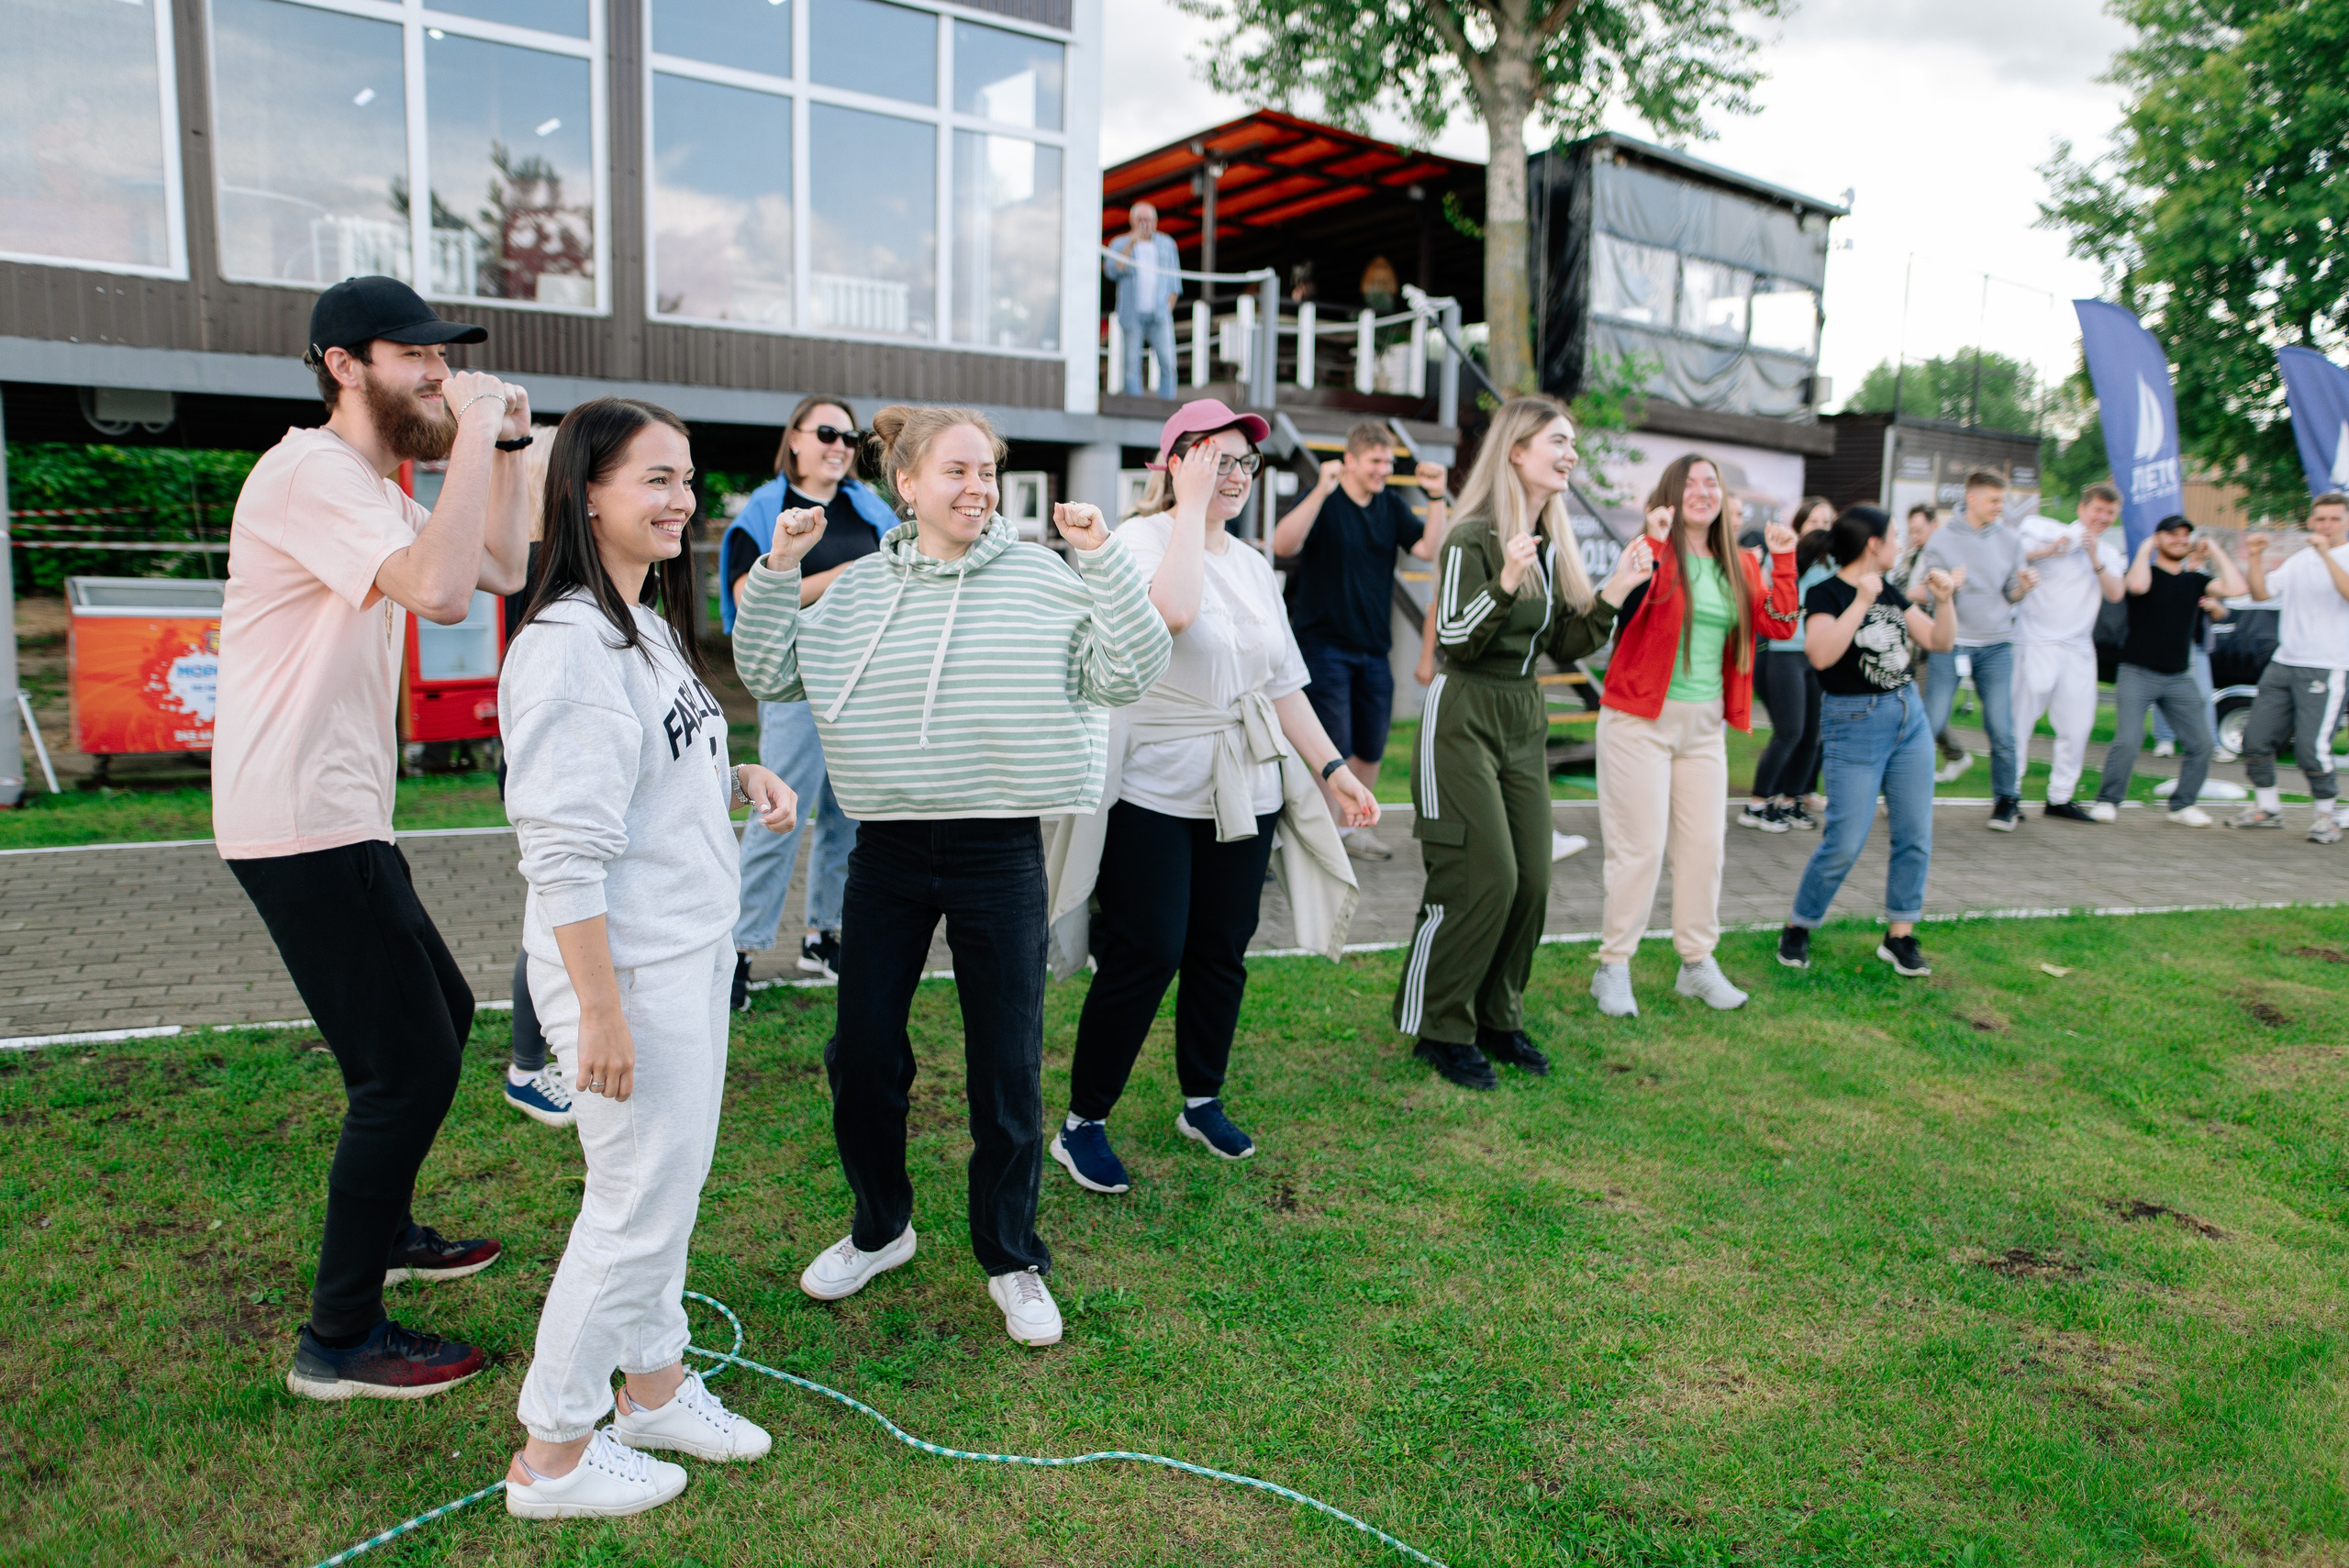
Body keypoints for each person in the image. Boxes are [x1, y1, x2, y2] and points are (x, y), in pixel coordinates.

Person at [732, 405, 1172, 1349]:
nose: (977, 487)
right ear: (908, 482)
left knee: (1005, 1063)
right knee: (859, 1057)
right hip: (885, 847)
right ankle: (881, 1225)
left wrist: (1103, 562)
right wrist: (779, 565)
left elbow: (1130, 669)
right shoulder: (852, 590)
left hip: (997, 846)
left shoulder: (1043, 578)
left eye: (989, 470)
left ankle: (1011, 1253)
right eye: (957, 470)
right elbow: (768, 672)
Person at [212, 275, 529, 1400]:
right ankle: (338, 1337)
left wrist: (514, 446)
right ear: (346, 364)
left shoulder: (374, 486)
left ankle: (387, 1226)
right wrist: (478, 433)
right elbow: (444, 592)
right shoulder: (309, 473)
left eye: (448, 362)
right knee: (409, 1067)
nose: (440, 376)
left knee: (434, 1018)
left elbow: (496, 565)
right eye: (420, 360)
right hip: (297, 817)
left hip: (337, 811)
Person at [499, 399, 797, 1519]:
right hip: (627, 979)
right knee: (628, 1206)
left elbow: (658, 753)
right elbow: (563, 855)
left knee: (663, 1198)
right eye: (654, 480)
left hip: (684, 958)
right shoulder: (571, 645)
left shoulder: (642, 620)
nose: (680, 501)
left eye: (685, 480)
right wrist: (599, 1011)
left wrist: (741, 777)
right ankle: (554, 1452)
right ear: (585, 492)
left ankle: (654, 1389)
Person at [1045, 400, 1377, 1188]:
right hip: (1154, 789)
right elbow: (1171, 612)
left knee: (1221, 950)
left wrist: (1334, 771)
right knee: (1146, 951)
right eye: (1215, 460)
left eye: (1243, 464)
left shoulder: (1255, 563)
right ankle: (1082, 1120)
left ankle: (1201, 1098)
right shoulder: (1137, 541)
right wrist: (1186, 508)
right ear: (1175, 462)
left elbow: (1285, 684)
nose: (1234, 477)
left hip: (1246, 787)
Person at [1396, 397, 1651, 1086]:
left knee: (1532, 879)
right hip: (1463, 715)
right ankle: (1440, 1026)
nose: (1570, 454)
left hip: (1521, 715)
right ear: (1516, 451)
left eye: (1572, 443)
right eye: (1558, 442)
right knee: (1482, 876)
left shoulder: (1548, 541)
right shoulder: (1472, 537)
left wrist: (1616, 589)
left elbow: (1562, 643)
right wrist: (1506, 579)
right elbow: (1454, 637)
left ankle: (1497, 1015)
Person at [1590, 454, 1800, 1018]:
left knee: (1705, 849)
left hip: (1704, 728)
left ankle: (1697, 964)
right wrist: (1655, 546)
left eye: (1712, 482)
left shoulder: (1742, 564)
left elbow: (1780, 624)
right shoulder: (1648, 550)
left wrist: (1784, 560)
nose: (1702, 491)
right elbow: (1627, 611)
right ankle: (1613, 967)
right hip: (1638, 722)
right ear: (1670, 493)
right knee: (1639, 851)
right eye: (1690, 482)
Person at [718, 396, 898, 1006]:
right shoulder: (768, 509)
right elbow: (749, 596)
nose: (840, 444)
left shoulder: (868, 508)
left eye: (849, 435)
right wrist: (844, 573)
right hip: (797, 684)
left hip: (863, 680)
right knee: (777, 813)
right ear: (793, 438)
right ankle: (737, 952)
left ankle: (825, 935)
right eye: (826, 432)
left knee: (849, 816)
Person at [1775, 506, 1962, 976]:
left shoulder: (1892, 591)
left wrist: (1946, 601)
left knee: (1914, 834)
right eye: (1894, 536)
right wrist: (1860, 602)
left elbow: (1939, 642)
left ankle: (1900, 936)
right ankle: (1799, 925)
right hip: (1855, 722)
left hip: (1908, 717)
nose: (1899, 544)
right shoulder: (1826, 592)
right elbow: (1820, 655)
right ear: (1873, 544)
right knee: (1844, 839)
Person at [1275, 420, 1447, 861]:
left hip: (1373, 648)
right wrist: (1318, 490)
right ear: (1350, 461)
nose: (1383, 470)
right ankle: (1322, 836)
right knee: (1335, 746)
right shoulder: (1325, 501)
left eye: (1388, 462)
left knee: (1370, 745)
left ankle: (1352, 830)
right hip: (1322, 644)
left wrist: (1436, 497)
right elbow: (1283, 544)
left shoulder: (1390, 506)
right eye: (1375, 461)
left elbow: (1429, 549)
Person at [495, 422, 576, 1128]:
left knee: (556, 909)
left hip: (546, 756)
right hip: (543, 762)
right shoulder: (533, 558)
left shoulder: (540, 553)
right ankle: (527, 1065)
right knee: (551, 911)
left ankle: (535, 1058)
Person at [2093, 515, 2245, 826]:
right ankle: (2108, 800)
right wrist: (2145, 547)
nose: (2180, 540)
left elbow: (2237, 588)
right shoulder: (2144, 572)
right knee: (2128, 740)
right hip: (2137, 672)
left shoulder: (2195, 581)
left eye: (2185, 536)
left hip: (2178, 677)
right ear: (2159, 539)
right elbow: (2136, 586)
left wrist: (2215, 550)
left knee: (2201, 744)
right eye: (2172, 534)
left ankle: (2182, 806)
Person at [1916, 470, 2041, 829]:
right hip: (1951, 644)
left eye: (2002, 501)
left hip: (1996, 645)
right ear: (1971, 499)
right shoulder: (1941, 541)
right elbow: (1929, 593)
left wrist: (2024, 588)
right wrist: (1948, 586)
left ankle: (2006, 800)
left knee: (2001, 727)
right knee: (1932, 722)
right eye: (1994, 500)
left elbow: (2009, 593)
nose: (2000, 507)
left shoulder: (2011, 541)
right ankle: (1906, 795)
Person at [2234, 493, 2349, 840]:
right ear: (2311, 521)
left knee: (2311, 749)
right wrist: (2255, 558)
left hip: (2326, 666)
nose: (2326, 525)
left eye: (2334, 519)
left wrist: (2326, 553)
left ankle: (2326, 817)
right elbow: (2260, 595)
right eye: (2320, 519)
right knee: (2254, 739)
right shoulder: (2300, 561)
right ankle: (2267, 807)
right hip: (2284, 663)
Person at [2009, 485, 2127, 820]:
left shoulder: (2108, 552)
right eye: (2098, 510)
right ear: (2082, 508)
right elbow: (2016, 554)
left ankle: (2060, 796)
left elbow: (2116, 593)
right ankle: (2009, 795)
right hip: (2036, 641)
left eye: (2110, 513)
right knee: (2020, 722)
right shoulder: (2048, 531)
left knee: (2077, 726)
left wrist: (2094, 557)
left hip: (2077, 647)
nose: (2102, 518)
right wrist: (2049, 551)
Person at [1742, 496, 1837, 833]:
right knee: (1790, 732)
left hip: (1814, 655)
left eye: (1827, 522)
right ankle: (1756, 803)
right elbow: (1773, 601)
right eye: (1813, 522)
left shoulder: (1834, 563)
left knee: (1812, 734)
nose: (1821, 529)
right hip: (1782, 653)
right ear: (1798, 526)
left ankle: (1790, 800)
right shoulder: (1784, 558)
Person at [1887, 503, 1973, 781]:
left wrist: (1912, 594)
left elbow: (1943, 590)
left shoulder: (1939, 556)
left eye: (1919, 530)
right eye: (1910, 531)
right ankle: (1954, 755)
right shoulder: (1910, 556)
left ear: (1934, 526)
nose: (1914, 536)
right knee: (1918, 707)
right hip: (1906, 643)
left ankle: (1937, 761)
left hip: (1929, 644)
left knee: (1921, 709)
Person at [1105, 202, 1181, 399]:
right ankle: (1134, 404)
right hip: (1132, 314)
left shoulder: (1167, 244)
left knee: (1167, 362)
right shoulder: (1119, 243)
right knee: (1132, 363)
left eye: (1148, 220)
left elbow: (1175, 282)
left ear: (1155, 222)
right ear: (1132, 221)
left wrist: (1168, 308)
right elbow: (1113, 271)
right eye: (1140, 220)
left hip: (1159, 314)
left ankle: (1168, 404)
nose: (1144, 224)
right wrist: (1132, 243)